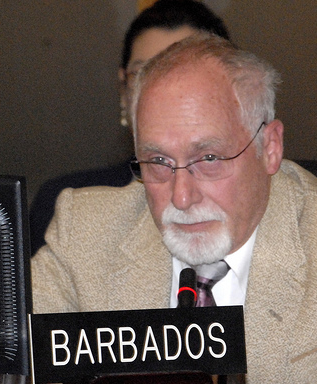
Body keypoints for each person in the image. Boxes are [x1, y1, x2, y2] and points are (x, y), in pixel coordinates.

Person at [32, 33, 317, 384]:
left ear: (269, 148)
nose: (181, 196)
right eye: (158, 162)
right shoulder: (84, 229)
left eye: (209, 158)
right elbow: (11, 378)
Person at [28, 0, 230, 256]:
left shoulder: (268, 203)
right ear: (123, 90)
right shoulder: (66, 207)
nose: (159, 93)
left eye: (182, 73)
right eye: (142, 73)